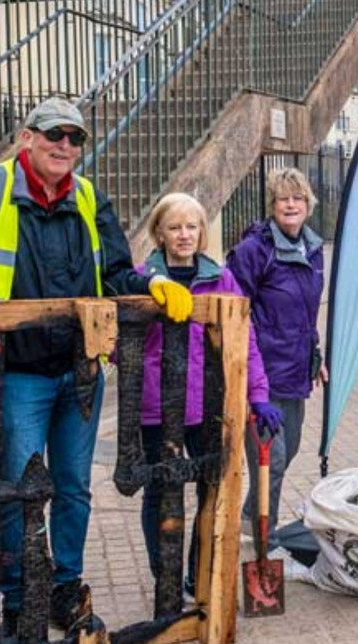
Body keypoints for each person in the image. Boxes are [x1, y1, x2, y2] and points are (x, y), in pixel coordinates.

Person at [0, 97, 193, 632]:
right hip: (16, 374)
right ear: (27, 138)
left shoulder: (90, 198)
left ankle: (65, 589)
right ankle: (23, 595)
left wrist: (155, 283)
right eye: (54, 135)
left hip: (81, 372)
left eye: (75, 138)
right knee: (20, 491)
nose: (64, 146)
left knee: (72, 488)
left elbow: (116, 272)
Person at [136, 192, 282, 596]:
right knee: (162, 491)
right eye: (175, 227)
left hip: (207, 403)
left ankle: (195, 575)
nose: (184, 235)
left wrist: (258, 394)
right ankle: (163, 574)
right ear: (160, 234)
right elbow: (121, 342)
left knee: (210, 490)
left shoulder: (222, 278)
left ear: (201, 232)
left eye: (192, 226)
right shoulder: (141, 277)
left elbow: (245, 339)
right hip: (157, 406)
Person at [227, 167, 326, 550]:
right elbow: (236, 311)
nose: (290, 204)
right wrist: (248, 377)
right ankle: (263, 535)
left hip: (296, 374)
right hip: (262, 379)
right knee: (274, 460)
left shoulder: (313, 250)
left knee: (292, 449)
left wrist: (315, 355)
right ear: (272, 205)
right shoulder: (254, 251)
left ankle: (253, 517)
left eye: (298, 198)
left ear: (308, 205)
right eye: (283, 198)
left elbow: (307, 312)